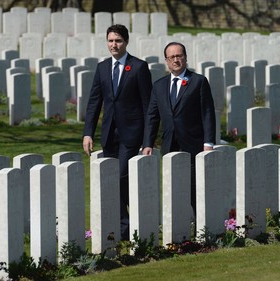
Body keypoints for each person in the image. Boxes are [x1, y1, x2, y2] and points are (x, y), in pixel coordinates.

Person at [82, 24, 152, 241]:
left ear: (126, 42)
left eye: (118, 40)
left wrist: (148, 140)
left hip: (132, 135)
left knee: (122, 176)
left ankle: (127, 225)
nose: (114, 44)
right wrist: (88, 133)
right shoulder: (102, 67)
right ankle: (127, 224)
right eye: (111, 40)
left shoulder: (138, 67)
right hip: (109, 134)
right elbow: (95, 101)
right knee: (113, 179)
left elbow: (148, 106)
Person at [142, 42, 216, 216]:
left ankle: (200, 225)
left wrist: (208, 143)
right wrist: (148, 143)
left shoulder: (198, 81)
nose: (176, 60)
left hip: (193, 144)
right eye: (172, 57)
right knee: (172, 187)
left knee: (193, 187)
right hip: (169, 144)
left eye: (179, 56)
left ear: (185, 57)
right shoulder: (159, 85)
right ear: (166, 61)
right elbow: (152, 116)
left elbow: (207, 113)